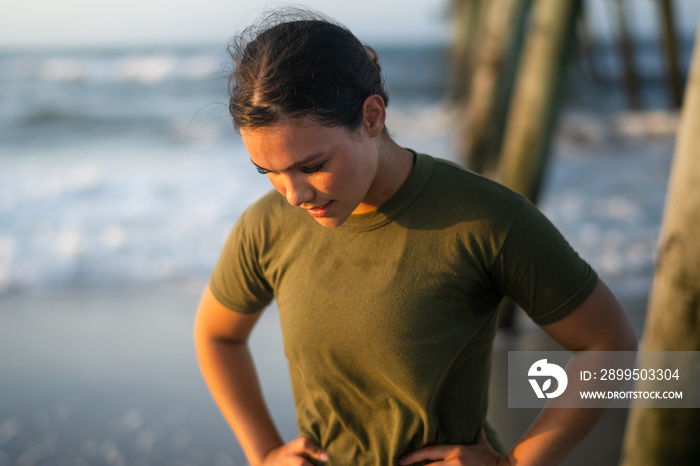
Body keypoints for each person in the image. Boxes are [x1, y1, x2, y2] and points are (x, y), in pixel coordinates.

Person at [194, 10, 637, 466]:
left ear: (371, 116)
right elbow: (217, 336)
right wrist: (264, 451)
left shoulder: (485, 219)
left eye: (312, 166)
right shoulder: (266, 227)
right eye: (269, 173)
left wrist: (518, 463)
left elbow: (610, 343)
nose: (294, 195)